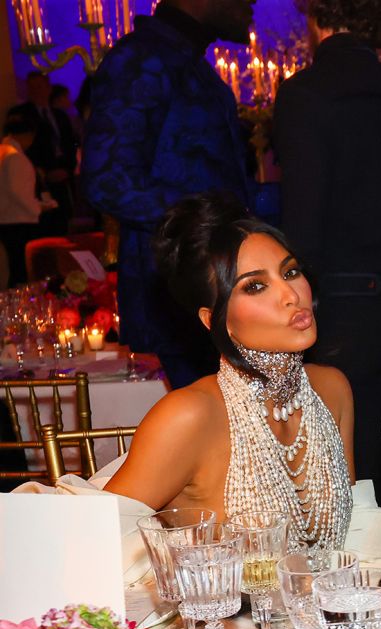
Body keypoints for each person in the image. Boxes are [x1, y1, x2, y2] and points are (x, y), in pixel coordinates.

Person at [107, 193, 353, 554]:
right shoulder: (189, 416)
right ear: (214, 320)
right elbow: (94, 544)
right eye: (255, 286)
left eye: (290, 272)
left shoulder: (332, 389)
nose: (291, 294)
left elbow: (354, 531)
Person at [272, 0, 381, 503]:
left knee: (335, 476)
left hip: (337, 314)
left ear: (316, 16)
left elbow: (302, 224)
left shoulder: (307, 94)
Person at [82, 0, 255, 389]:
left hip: (210, 295)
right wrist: (215, 219)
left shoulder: (188, 64)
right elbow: (107, 180)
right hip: (176, 301)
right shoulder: (141, 59)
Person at [11, 71, 77, 237]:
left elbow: (70, 145)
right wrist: (44, 173)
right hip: (38, 180)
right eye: (31, 88)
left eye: (39, 87)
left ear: (48, 88)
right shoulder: (21, 114)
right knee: (45, 228)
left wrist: (67, 170)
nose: (36, 91)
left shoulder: (60, 115)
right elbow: (22, 148)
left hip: (62, 178)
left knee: (63, 225)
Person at [0, 112, 56, 286]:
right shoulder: (14, 156)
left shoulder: (4, 152)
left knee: (15, 268)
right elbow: (18, 193)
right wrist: (39, 208)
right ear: (27, 135)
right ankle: (21, 307)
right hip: (19, 220)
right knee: (22, 271)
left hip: (7, 219)